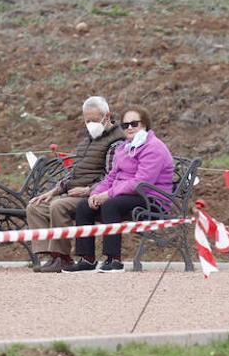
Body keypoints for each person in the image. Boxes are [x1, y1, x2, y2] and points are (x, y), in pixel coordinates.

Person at [65, 106, 173, 273]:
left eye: (134, 124)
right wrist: (95, 194)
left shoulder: (153, 147)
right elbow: (111, 177)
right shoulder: (123, 148)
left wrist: (108, 195)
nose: (129, 128)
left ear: (144, 125)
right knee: (84, 206)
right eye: (125, 125)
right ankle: (87, 259)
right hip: (126, 195)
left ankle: (113, 259)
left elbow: (141, 181)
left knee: (111, 204)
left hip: (151, 197)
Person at [25, 96, 127, 272]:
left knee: (58, 206)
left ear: (107, 116)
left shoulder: (116, 142)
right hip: (73, 192)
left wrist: (89, 190)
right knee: (35, 206)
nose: (90, 124)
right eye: (87, 120)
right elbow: (74, 171)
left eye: (94, 120)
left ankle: (64, 257)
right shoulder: (88, 140)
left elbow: (113, 176)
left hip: (94, 195)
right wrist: (55, 190)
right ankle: (52, 255)